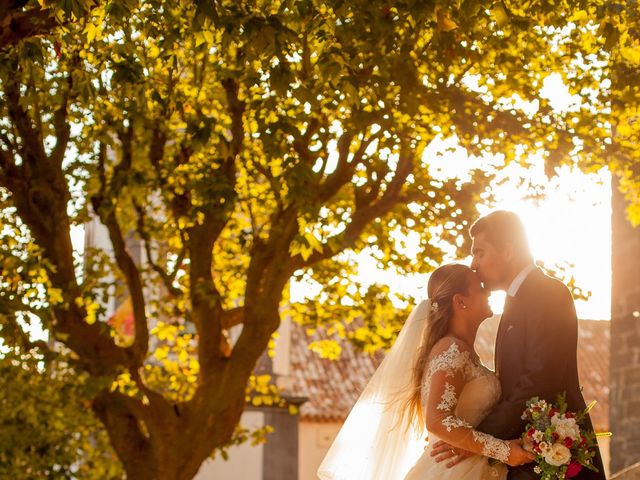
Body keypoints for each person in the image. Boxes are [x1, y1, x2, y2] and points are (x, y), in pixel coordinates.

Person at [431, 211, 606, 479]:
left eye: (479, 253)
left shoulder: (548, 293)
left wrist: (476, 439)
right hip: (525, 459)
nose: (474, 264)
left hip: (558, 462)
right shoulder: (514, 301)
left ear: (509, 251)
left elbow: (539, 381)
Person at [317, 263, 533, 480]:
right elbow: (437, 419)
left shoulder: (461, 350)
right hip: (453, 472)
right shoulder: (452, 349)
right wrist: (503, 450)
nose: (487, 291)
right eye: (479, 288)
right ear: (460, 301)